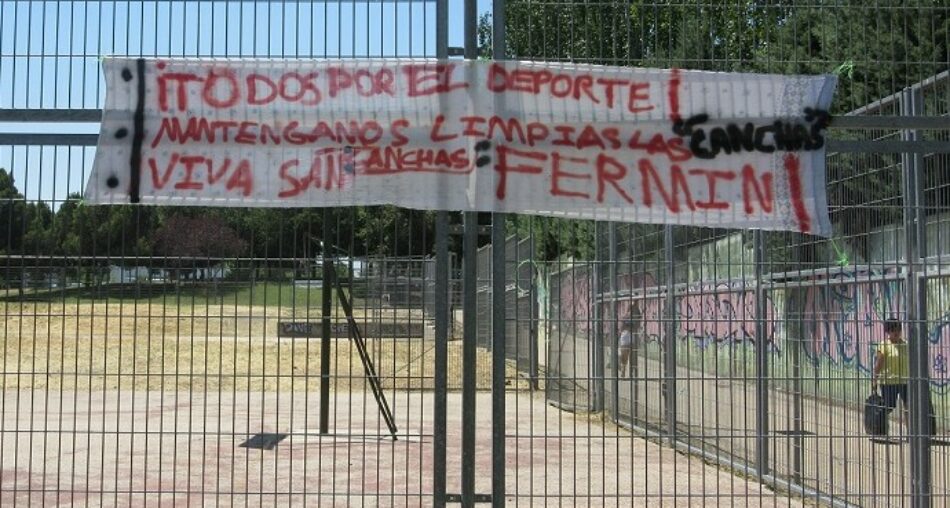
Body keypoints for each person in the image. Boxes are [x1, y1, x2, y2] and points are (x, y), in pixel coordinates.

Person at [872, 318, 909, 427]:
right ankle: (878, 423)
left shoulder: (905, 344)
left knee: (909, 406)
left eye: (898, 329)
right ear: (888, 331)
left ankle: (911, 433)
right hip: (889, 382)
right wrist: (874, 380)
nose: (896, 332)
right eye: (893, 330)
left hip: (905, 381)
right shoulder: (884, 345)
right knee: (889, 406)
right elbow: (878, 365)